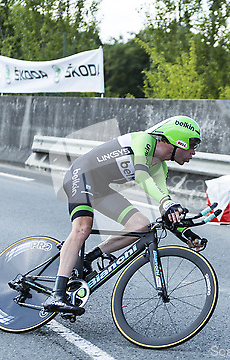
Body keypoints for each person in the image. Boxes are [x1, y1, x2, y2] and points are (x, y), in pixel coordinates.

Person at [43, 116, 204, 314]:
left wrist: (186, 233)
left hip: (101, 188)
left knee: (141, 225)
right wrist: (167, 203)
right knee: (83, 227)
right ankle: (56, 295)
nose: (193, 152)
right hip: (81, 174)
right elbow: (141, 174)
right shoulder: (145, 141)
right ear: (179, 140)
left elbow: (164, 202)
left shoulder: (160, 167)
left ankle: (89, 258)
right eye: (192, 144)